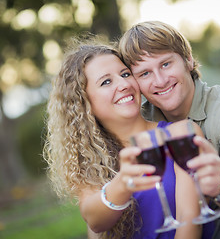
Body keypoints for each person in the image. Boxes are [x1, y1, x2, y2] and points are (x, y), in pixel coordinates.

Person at [118, 21, 220, 238]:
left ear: (188, 60)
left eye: (165, 64)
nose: (160, 81)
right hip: (168, 227)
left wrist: (219, 185)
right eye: (145, 73)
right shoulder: (139, 121)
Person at [43, 37, 207, 239]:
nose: (123, 84)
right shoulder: (91, 163)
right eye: (106, 82)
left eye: (125, 74)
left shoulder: (180, 133)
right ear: (84, 103)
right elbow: (95, 222)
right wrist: (123, 184)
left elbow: (190, 219)